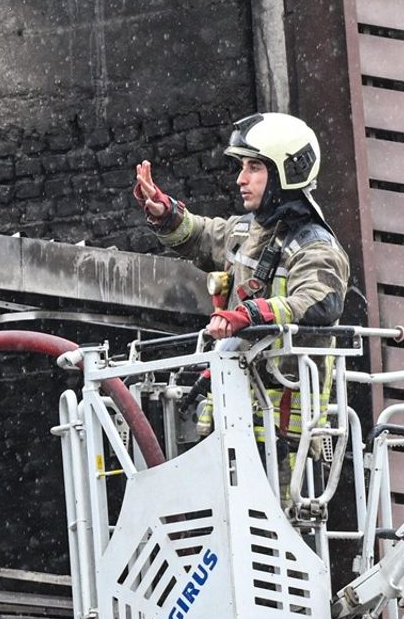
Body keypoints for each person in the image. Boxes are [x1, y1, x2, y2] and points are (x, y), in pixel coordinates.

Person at [132, 112, 351, 501]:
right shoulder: (248, 231)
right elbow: (201, 236)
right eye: (242, 167)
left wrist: (250, 315)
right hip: (231, 424)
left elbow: (319, 303)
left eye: (254, 167)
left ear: (286, 172)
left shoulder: (317, 247)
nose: (240, 178)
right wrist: (164, 213)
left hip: (282, 439)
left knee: (273, 543)